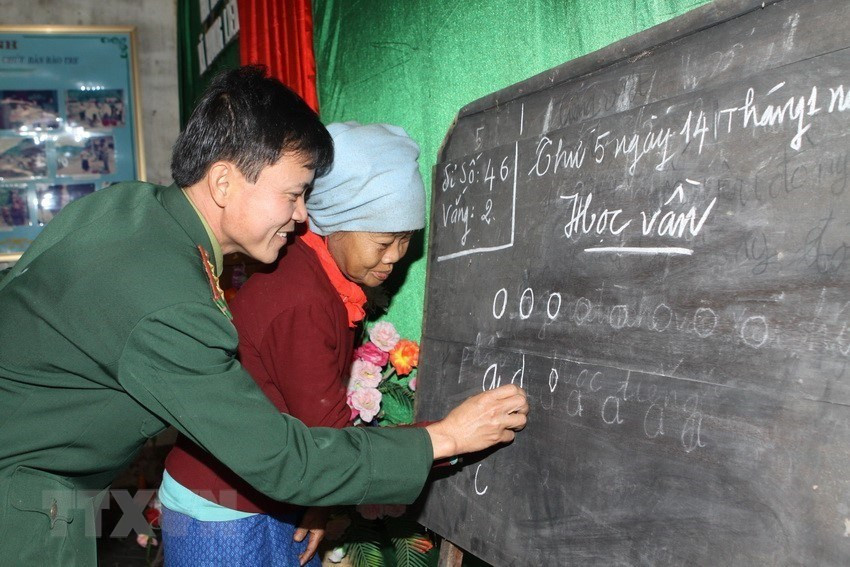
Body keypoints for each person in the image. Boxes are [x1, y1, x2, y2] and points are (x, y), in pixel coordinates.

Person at [0, 65, 528, 567]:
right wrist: (448, 438)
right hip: (23, 503)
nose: (302, 215)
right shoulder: (171, 304)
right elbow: (283, 460)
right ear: (224, 182)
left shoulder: (127, 207)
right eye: (293, 194)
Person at [161, 121, 427, 566]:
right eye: (384, 241)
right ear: (336, 223)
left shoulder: (319, 275)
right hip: (222, 510)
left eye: (407, 239)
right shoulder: (304, 299)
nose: (397, 255)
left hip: (268, 491)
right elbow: (328, 436)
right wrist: (447, 438)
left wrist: (318, 502)